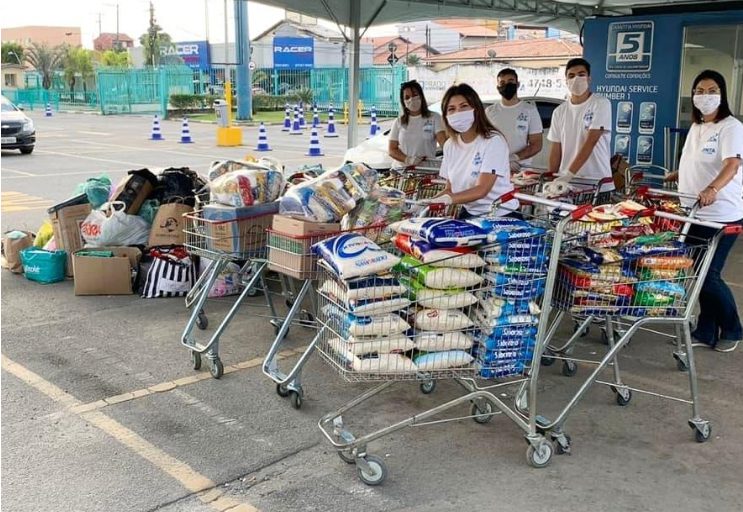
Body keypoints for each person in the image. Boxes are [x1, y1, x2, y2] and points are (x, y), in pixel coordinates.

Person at [670, 69, 743, 352]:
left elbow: (732, 165)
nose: (705, 96)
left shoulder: (731, 127)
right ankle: (707, 329)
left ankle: (734, 328)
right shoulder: (698, 127)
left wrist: (712, 189)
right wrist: (678, 173)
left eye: (711, 90)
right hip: (693, 211)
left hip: (721, 214)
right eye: (699, 91)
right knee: (698, 274)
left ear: (722, 95)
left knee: (708, 275)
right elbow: (699, 161)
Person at [425, 83, 519, 219]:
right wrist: (425, 204)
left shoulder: (493, 141)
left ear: (476, 109)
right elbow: (450, 189)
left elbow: (482, 189)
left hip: (500, 214)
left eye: (464, 106)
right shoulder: (450, 145)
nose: (458, 113)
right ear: (445, 116)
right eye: (451, 109)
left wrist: (448, 200)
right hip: (470, 212)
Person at [547, 57, 614, 198]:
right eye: (571, 76)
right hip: (566, 187)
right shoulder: (559, 111)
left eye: (581, 74)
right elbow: (555, 149)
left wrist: (568, 175)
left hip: (597, 184)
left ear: (589, 79)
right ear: (566, 81)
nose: (576, 79)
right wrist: (551, 177)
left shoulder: (600, 104)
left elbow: (591, 142)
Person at [485, 68, 543, 172]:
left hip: (521, 169)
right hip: (495, 168)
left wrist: (515, 158)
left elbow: (537, 144)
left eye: (510, 81)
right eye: (502, 82)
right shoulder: (490, 112)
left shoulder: (530, 110)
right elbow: (483, 141)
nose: (506, 85)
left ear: (518, 84)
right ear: (498, 87)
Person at [388, 80, 447, 167]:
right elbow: (392, 150)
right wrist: (408, 159)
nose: (412, 99)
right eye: (407, 97)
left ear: (421, 96)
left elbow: (444, 144)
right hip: (403, 171)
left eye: (415, 95)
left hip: (426, 171)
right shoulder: (399, 122)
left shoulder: (434, 117)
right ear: (403, 102)